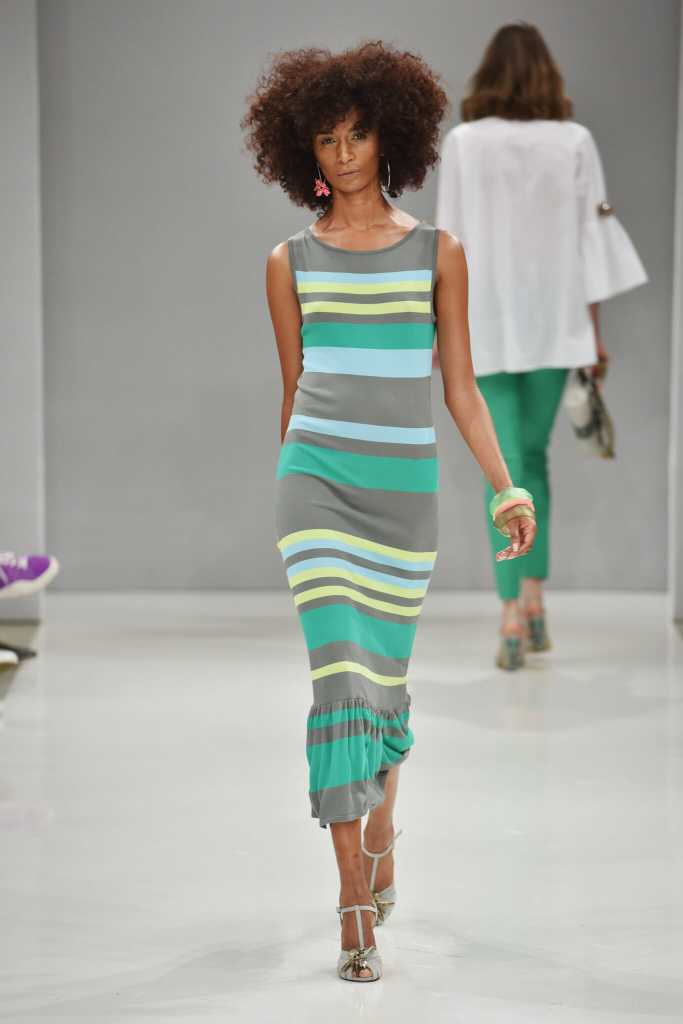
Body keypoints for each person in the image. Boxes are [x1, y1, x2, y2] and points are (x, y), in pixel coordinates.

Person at [242, 40, 538, 982]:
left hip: (402, 499)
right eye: (324, 140)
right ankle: (351, 906)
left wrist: (504, 484)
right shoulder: (287, 261)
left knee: (382, 689)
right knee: (339, 684)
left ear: (389, 138)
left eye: (357, 136)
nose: (342, 155)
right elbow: (292, 389)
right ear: (302, 150)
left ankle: (380, 833)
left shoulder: (436, 253)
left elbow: (461, 387)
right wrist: (289, 485)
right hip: (315, 488)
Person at [434, 21, 648, 669]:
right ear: (547, 74)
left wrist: (441, 332)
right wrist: (593, 336)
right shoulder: (573, 141)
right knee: (532, 459)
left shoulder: (464, 144)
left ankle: (510, 612)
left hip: (484, 325)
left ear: (487, 74)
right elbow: (592, 243)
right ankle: (532, 603)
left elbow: (447, 240)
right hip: (556, 324)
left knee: (503, 469)